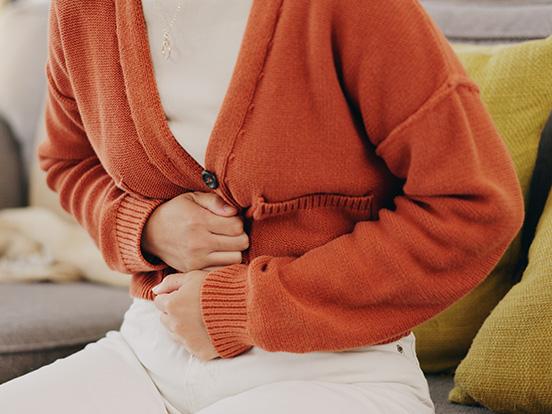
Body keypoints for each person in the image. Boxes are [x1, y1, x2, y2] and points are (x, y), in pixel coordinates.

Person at [0, 0, 525, 413]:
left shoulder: (353, 8)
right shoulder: (83, 10)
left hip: (334, 372)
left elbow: (474, 205)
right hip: (149, 351)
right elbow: (68, 162)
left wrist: (248, 307)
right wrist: (144, 226)